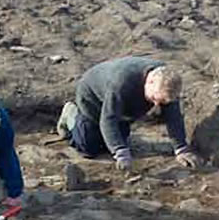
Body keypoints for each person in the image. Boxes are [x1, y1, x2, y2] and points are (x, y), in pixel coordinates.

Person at [56, 57, 198, 171]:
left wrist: (181, 148)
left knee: (114, 141)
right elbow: (108, 119)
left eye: (161, 102)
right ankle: (71, 114)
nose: (156, 105)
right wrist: (120, 152)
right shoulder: (122, 83)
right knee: (88, 147)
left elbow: (174, 117)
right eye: (154, 99)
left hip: (124, 103)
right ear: (150, 81)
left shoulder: (167, 84)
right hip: (92, 99)